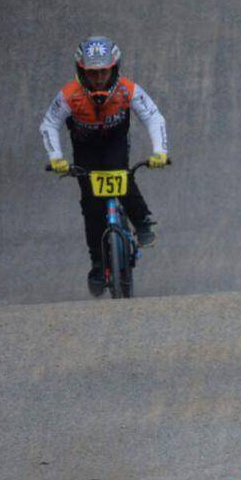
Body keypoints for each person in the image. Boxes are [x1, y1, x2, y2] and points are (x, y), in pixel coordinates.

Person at [40, 36, 169, 297]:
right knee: (91, 205)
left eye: (103, 72)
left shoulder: (127, 89)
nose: (98, 79)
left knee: (120, 174)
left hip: (114, 143)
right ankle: (98, 264)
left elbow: (153, 116)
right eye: (92, 73)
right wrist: (56, 157)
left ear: (114, 68)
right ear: (81, 72)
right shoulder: (69, 95)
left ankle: (142, 222)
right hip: (85, 149)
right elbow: (49, 124)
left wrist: (160, 151)